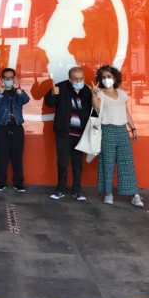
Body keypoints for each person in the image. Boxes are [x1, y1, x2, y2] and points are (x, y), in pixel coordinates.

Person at [94, 65, 143, 207]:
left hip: (122, 131)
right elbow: (96, 108)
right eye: (103, 77)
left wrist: (133, 128)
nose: (106, 79)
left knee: (127, 163)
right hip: (106, 130)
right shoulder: (99, 93)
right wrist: (94, 94)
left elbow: (126, 111)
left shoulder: (122, 94)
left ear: (115, 78)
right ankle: (108, 193)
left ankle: (135, 194)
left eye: (109, 76)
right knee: (107, 163)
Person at [44, 65, 94, 201]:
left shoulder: (87, 90)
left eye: (81, 78)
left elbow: (94, 109)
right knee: (63, 163)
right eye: (75, 79)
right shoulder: (61, 87)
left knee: (77, 164)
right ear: (70, 78)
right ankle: (60, 189)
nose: (79, 81)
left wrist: (95, 95)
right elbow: (49, 103)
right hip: (64, 133)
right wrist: (53, 93)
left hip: (80, 134)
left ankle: (77, 190)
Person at [0, 67, 30, 193]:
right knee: (1, 157)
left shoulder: (18, 92)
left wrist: (18, 89)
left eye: (11, 78)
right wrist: (1, 92)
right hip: (1, 128)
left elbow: (25, 100)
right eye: (6, 78)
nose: (8, 80)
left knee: (17, 157)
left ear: (15, 79)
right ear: (1, 79)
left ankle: (18, 183)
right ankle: (1, 183)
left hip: (17, 127)